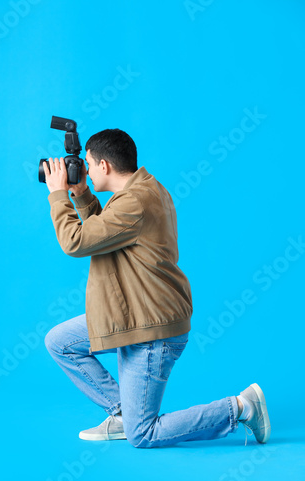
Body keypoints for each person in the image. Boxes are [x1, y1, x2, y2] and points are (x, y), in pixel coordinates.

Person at [43, 128, 271, 448]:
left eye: (89, 166)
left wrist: (57, 194)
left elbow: (77, 241)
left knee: (144, 434)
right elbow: (103, 235)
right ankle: (123, 413)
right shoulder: (139, 191)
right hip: (133, 315)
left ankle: (242, 407)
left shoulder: (134, 202)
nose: (86, 172)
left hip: (152, 327)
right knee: (60, 342)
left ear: (105, 166)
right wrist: (80, 194)